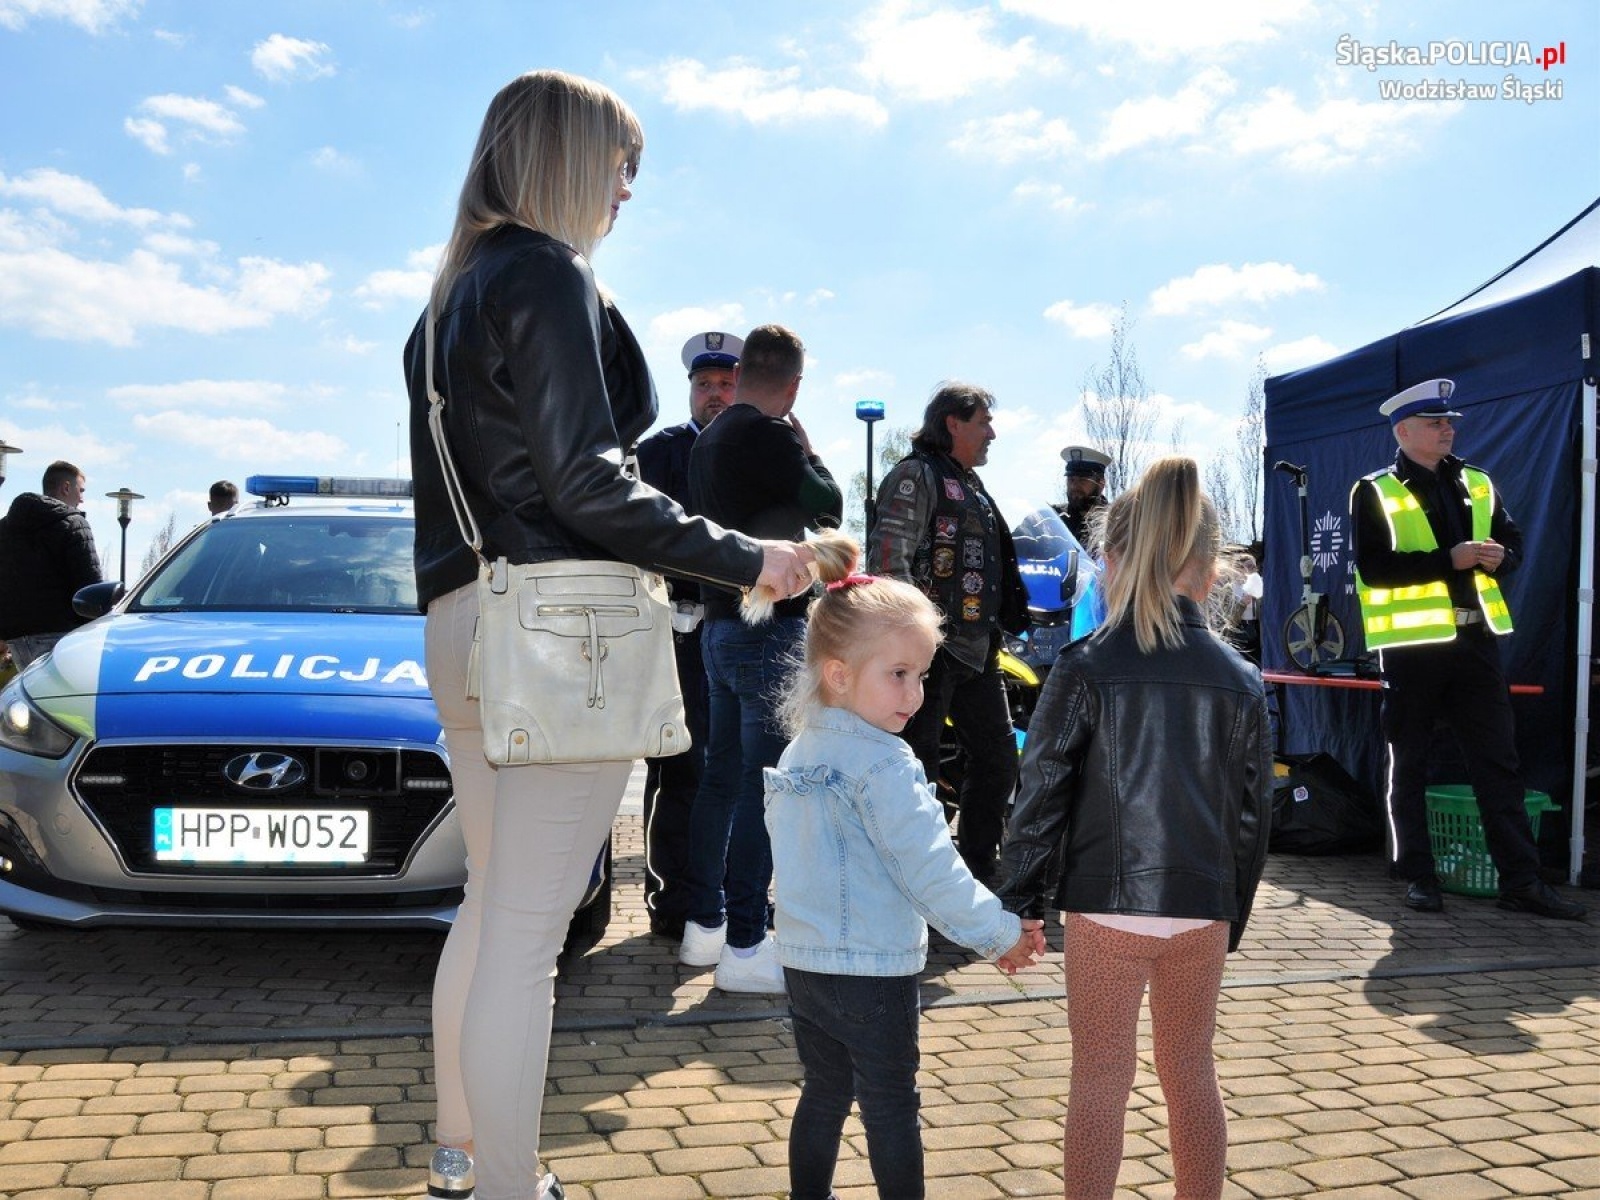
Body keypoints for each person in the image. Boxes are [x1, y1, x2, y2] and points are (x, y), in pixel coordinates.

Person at [402, 70, 818, 1200]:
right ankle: (504, 1184)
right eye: (621, 161)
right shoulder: (541, 271)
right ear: (568, 156)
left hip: (463, 617)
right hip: (554, 629)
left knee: (494, 909)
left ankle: (459, 1155)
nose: (629, 187)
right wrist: (750, 558)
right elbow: (585, 483)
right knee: (525, 937)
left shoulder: (447, 296)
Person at [998, 456, 1272, 1200]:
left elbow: (1040, 793)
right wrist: (1229, 911)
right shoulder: (1242, 680)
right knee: (1192, 1071)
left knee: (1100, 1078)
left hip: (1104, 904)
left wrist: (1020, 902)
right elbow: (1252, 817)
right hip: (1201, 906)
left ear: (1111, 559)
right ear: (1211, 569)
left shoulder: (1086, 664)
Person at [765, 572, 1046, 1199]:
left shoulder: (796, 756)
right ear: (838, 674)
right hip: (873, 970)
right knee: (891, 1105)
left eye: (922, 675)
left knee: (825, 1090)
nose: (917, 694)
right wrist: (1000, 934)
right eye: (899, 674)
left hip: (805, 966)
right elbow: (931, 873)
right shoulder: (886, 764)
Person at [1350, 378, 1585, 921]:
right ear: (1403, 431)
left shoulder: (1477, 480)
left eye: (1449, 422)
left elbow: (1514, 542)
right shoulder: (1376, 489)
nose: (1448, 429)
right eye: (1436, 423)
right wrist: (1447, 560)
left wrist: (1504, 557)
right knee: (1408, 764)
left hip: (1476, 643)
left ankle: (1522, 882)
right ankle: (1417, 876)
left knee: (1498, 763)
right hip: (1413, 648)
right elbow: (1375, 569)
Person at [679, 322, 843, 993]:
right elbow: (827, 505)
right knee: (761, 788)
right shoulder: (770, 435)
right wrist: (811, 452)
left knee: (720, 780)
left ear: (743, 373)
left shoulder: (710, 439)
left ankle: (705, 927)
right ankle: (747, 945)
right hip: (769, 628)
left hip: (718, 626)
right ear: (795, 386)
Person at [866, 382, 1029, 882]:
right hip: (929, 656)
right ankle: (914, 876)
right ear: (952, 423)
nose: (992, 434)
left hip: (979, 652)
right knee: (917, 767)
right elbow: (888, 564)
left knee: (999, 761)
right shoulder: (916, 475)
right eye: (983, 422)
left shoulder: (970, 484)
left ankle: (977, 870)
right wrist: (918, 643)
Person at [632, 330, 743, 940]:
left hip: (742, 631)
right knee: (680, 766)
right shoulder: (661, 453)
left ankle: (719, 892)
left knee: (733, 768)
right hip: (676, 630)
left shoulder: (758, 447)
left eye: (727, 384)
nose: (716, 395)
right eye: (705, 385)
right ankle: (674, 897)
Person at [0, 459, 103, 669]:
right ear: (66, 487)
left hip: (17, 639)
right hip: (63, 637)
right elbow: (91, 587)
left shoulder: (4, 529)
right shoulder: (75, 524)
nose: (81, 499)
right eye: (80, 490)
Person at [1051, 444, 1111, 546]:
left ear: (1101, 483)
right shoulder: (1053, 517)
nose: (1074, 486)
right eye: (1071, 480)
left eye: (1082, 480)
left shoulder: (1115, 521)